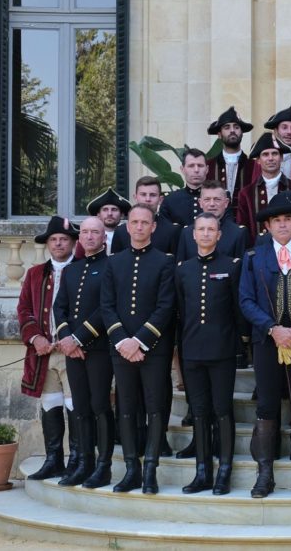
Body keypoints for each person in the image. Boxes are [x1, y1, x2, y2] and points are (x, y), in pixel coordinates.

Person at [239, 191, 291, 498]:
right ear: (268, 226)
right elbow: (246, 300)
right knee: (267, 404)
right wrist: (273, 329)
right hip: (267, 341)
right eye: (277, 220)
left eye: (288, 219)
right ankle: (265, 474)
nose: (283, 224)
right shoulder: (253, 257)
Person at [101, 204, 176, 494]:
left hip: (153, 349)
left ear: (153, 227)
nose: (140, 227)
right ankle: (131, 467)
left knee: (156, 408)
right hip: (121, 349)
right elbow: (107, 306)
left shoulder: (165, 262)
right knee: (127, 408)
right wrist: (123, 342)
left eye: (145, 222)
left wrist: (140, 341)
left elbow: (165, 306)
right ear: (127, 226)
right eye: (135, 222)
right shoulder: (113, 262)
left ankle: (150, 470)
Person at [173, 213, 243, 496]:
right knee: (200, 412)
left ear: (219, 234)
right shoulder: (183, 269)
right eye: (200, 229)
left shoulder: (232, 266)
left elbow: (237, 310)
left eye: (210, 229)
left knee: (222, 410)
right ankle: (203, 471)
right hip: (192, 350)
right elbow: (180, 310)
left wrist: (242, 344)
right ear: (193, 234)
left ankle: (224, 470)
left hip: (223, 349)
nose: (205, 234)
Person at [53, 217, 113, 488]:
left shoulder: (112, 266)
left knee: (100, 407)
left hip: (98, 349)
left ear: (104, 237)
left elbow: (106, 308)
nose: (90, 237)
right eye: (86, 232)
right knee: (80, 408)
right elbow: (60, 307)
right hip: (72, 351)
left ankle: (104, 466)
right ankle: (84, 462)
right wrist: (66, 338)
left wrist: (78, 338)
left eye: (95, 232)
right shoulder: (72, 270)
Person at [19, 216, 79, 482]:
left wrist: (75, 339)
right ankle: (53, 459)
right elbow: (25, 311)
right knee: (50, 404)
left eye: (63, 239)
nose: (58, 244)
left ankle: (78, 458)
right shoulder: (35, 274)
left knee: (75, 404)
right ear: (48, 244)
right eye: (54, 240)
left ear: (73, 243)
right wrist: (35, 339)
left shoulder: (83, 269)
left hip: (74, 352)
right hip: (44, 354)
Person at [176, 180, 250, 262]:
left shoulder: (238, 233)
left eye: (217, 199)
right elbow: (181, 270)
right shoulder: (187, 233)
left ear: (226, 203)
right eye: (207, 199)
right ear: (200, 203)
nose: (212, 204)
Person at [237, 134, 291, 236]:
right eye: (265, 154)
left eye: (274, 154)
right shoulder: (246, 193)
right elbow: (243, 230)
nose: (270, 158)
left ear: (281, 158)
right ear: (258, 160)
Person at [111, 176, 183, 254]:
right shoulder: (121, 231)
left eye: (152, 195)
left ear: (160, 199)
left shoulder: (172, 231)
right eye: (143, 194)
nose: (147, 199)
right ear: (135, 197)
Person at [205, 106, 255, 200]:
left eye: (236, 127)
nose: (232, 130)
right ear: (219, 134)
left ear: (242, 133)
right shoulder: (209, 166)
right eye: (227, 127)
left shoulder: (253, 166)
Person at [160, 148, 209, 227]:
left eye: (200, 166)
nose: (196, 170)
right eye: (191, 166)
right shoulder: (170, 200)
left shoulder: (218, 198)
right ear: (182, 169)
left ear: (207, 169)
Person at [81, 187, 130, 256]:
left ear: (122, 215)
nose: (109, 213)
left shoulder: (129, 235)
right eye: (105, 210)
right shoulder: (88, 236)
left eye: (114, 209)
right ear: (98, 215)